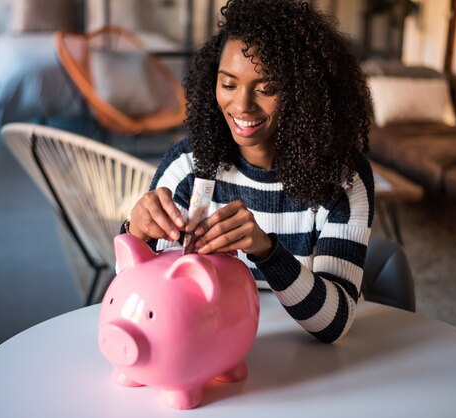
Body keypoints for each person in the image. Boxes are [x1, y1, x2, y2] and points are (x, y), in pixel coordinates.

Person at [121, 0, 374, 343]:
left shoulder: (342, 180)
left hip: (301, 362)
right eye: (228, 84)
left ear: (305, 92)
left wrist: (266, 250)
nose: (242, 106)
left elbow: (334, 323)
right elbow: (140, 299)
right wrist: (137, 234)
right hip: (209, 344)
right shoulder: (188, 168)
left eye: (267, 88)